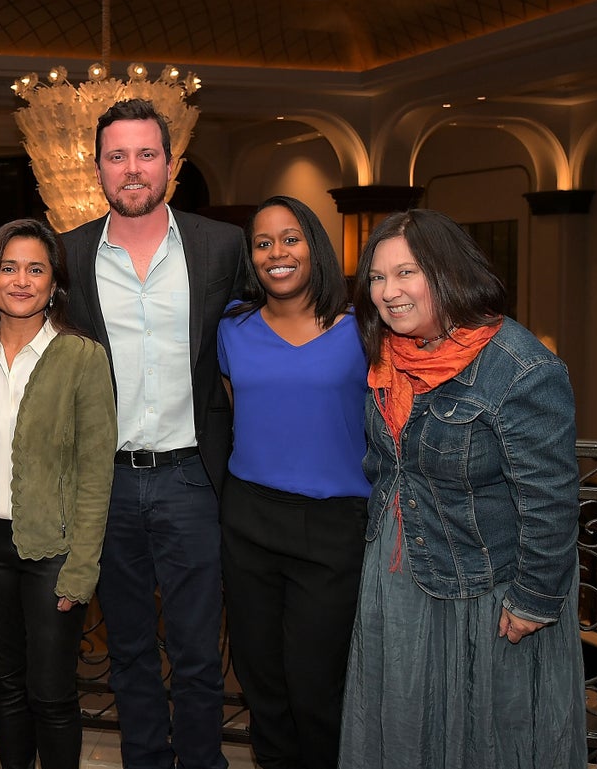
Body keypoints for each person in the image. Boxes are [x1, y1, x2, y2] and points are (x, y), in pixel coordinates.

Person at [338, 209, 585, 769]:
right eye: (376, 277)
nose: (387, 292)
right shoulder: (388, 356)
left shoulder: (521, 368)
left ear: (448, 272)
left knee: (485, 740)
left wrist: (535, 600)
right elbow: (385, 464)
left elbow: (550, 499)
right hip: (399, 577)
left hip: (486, 594)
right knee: (399, 734)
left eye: (407, 273)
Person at [61, 97, 246, 769]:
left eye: (146, 154)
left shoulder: (220, 246)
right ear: (98, 167)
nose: (132, 169)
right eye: (118, 156)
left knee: (199, 652)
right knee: (129, 648)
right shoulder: (71, 255)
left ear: (171, 163)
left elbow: (269, 331)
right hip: (104, 481)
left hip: (192, 476)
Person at [0, 218, 118, 769]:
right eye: (9, 267)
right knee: (7, 686)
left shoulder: (83, 358)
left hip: (52, 551)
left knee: (52, 692)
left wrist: (82, 567)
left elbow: (96, 474)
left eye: (35, 269)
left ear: (54, 282)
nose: (21, 280)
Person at [214, 195, 368, 769]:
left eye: (291, 238)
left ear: (315, 247)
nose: (277, 253)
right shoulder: (233, 326)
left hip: (333, 529)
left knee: (315, 685)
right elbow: (236, 410)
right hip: (250, 519)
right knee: (263, 683)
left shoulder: (363, 330)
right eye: (263, 243)